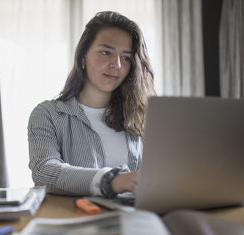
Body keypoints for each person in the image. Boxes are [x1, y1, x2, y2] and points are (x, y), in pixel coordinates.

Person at [28, 11, 155, 197]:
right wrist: (112, 181)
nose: (116, 65)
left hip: (135, 219)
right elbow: (44, 171)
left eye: (126, 58)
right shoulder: (48, 114)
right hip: (76, 220)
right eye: (106, 52)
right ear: (82, 57)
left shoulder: (141, 116)